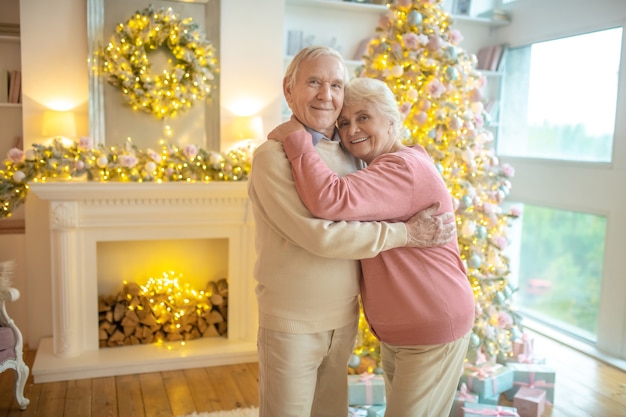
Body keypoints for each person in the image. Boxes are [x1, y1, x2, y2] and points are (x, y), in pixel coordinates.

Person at [247, 46, 457, 417]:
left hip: (344, 320)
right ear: (289, 89)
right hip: (293, 322)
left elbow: (339, 203)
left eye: (335, 85)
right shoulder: (273, 157)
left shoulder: (352, 156)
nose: (326, 95)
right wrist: (405, 234)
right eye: (313, 82)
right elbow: (322, 235)